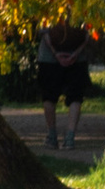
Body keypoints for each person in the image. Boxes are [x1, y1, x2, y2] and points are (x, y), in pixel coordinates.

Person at [35, 23, 95, 156]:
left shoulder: (49, 3)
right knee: (76, 96)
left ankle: (52, 136)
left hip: (48, 58)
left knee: (48, 96)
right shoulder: (84, 3)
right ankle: (70, 137)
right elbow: (88, 32)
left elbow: (44, 32)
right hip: (78, 58)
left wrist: (56, 53)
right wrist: (76, 53)